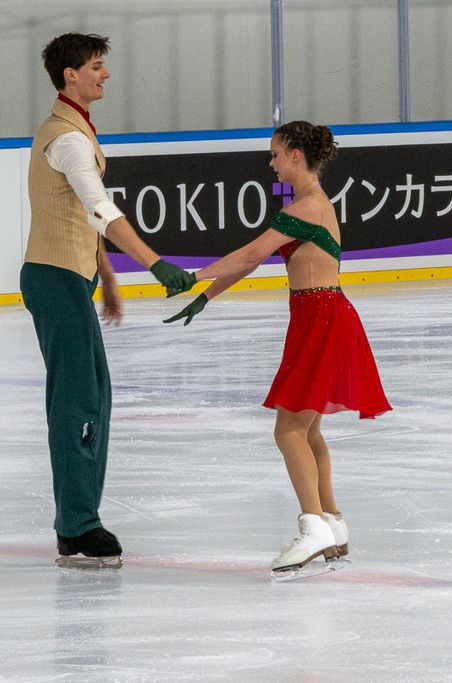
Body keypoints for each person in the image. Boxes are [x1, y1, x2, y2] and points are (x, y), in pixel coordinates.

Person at [164, 121, 392, 576]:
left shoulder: (308, 207)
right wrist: (206, 296)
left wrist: (194, 275)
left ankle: (313, 526)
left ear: (295, 155)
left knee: (289, 431)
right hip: (319, 317)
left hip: (321, 319)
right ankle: (332, 522)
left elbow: (250, 253)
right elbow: (252, 262)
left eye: (275, 154)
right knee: (308, 431)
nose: (270, 163)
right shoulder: (309, 205)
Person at [21, 33, 194, 568]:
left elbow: (80, 215)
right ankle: (77, 527)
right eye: (96, 66)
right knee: (77, 402)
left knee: (94, 396)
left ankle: (79, 519)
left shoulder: (75, 128)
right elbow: (99, 209)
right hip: (54, 278)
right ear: (70, 75)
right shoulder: (67, 140)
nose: (106, 74)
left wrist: (109, 277)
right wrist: (154, 263)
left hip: (69, 278)